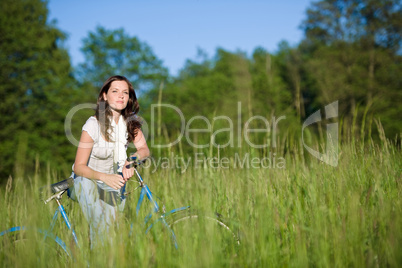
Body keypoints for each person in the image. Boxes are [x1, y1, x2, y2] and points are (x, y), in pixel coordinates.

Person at [72, 75, 149, 246]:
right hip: (88, 179)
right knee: (102, 228)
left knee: (113, 236)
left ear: (129, 98)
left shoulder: (130, 124)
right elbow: (79, 167)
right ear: (105, 96)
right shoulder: (93, 124)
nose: (121, 96)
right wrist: (105, 177)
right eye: (115, 91)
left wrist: (131, 160)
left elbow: (144, 150)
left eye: (125, 93)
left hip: (114, 182)